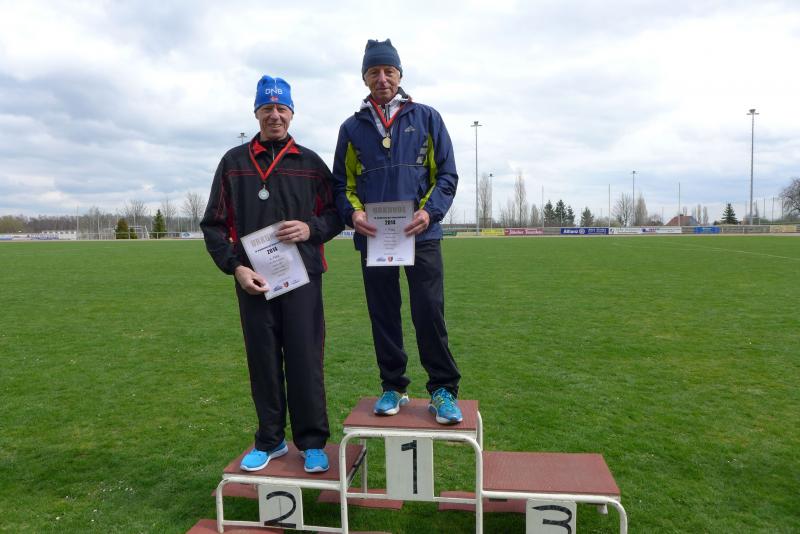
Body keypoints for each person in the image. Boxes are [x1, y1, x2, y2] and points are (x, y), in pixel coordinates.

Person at [201, 75, 343, 473]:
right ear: (256, 113)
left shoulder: (310, 163)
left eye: (282, 108)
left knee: (305, 359)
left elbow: (337, 214)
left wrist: (311, 229)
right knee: (262, 360)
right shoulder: (233, 163)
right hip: (254, 282)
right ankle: (270, 439)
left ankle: (312, 442)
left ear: (292, 113)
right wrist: (236, 268)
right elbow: (213, 224)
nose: (275, 115)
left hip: (302, 279)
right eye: (267, 108)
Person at [331, 39, 463, 424]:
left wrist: (429, 213)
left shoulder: (427, 117)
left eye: (389, 71)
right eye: (374, 72)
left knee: (429, 312)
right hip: (375, 238)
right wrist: (353, 215)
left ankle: (442, 389)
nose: (382, 78)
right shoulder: (352, 128)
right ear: (364, 78)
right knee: (384, 314)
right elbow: (341, 184)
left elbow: (447, 176)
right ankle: (393, 385)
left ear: (400, 74)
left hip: (421, 235)